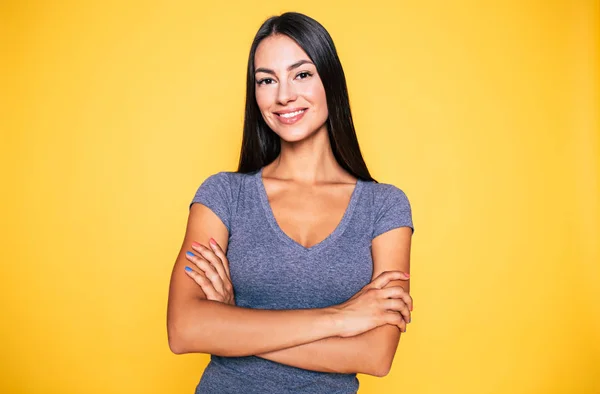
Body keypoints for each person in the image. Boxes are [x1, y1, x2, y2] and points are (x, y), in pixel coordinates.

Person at [166, 11, 415, 394]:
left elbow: (375, 356)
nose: (283, 95)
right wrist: (339, 318)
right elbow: (184, 330)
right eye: (267, 80)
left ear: (329, 80)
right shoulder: (224, 195)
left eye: (301, 74)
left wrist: (233, 324)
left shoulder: (384, 207)